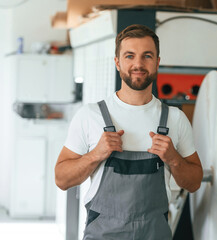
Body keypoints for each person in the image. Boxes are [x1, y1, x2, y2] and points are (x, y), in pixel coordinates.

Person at [55, 24, 203, 240]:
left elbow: (195, 182)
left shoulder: (175, 119)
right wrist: (96, 154)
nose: (138, 64)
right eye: (130, 56)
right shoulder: (90, 116)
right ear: (117, 62)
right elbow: (61, 179)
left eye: (147, 56)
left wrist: (174, 159)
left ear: (157, 62)